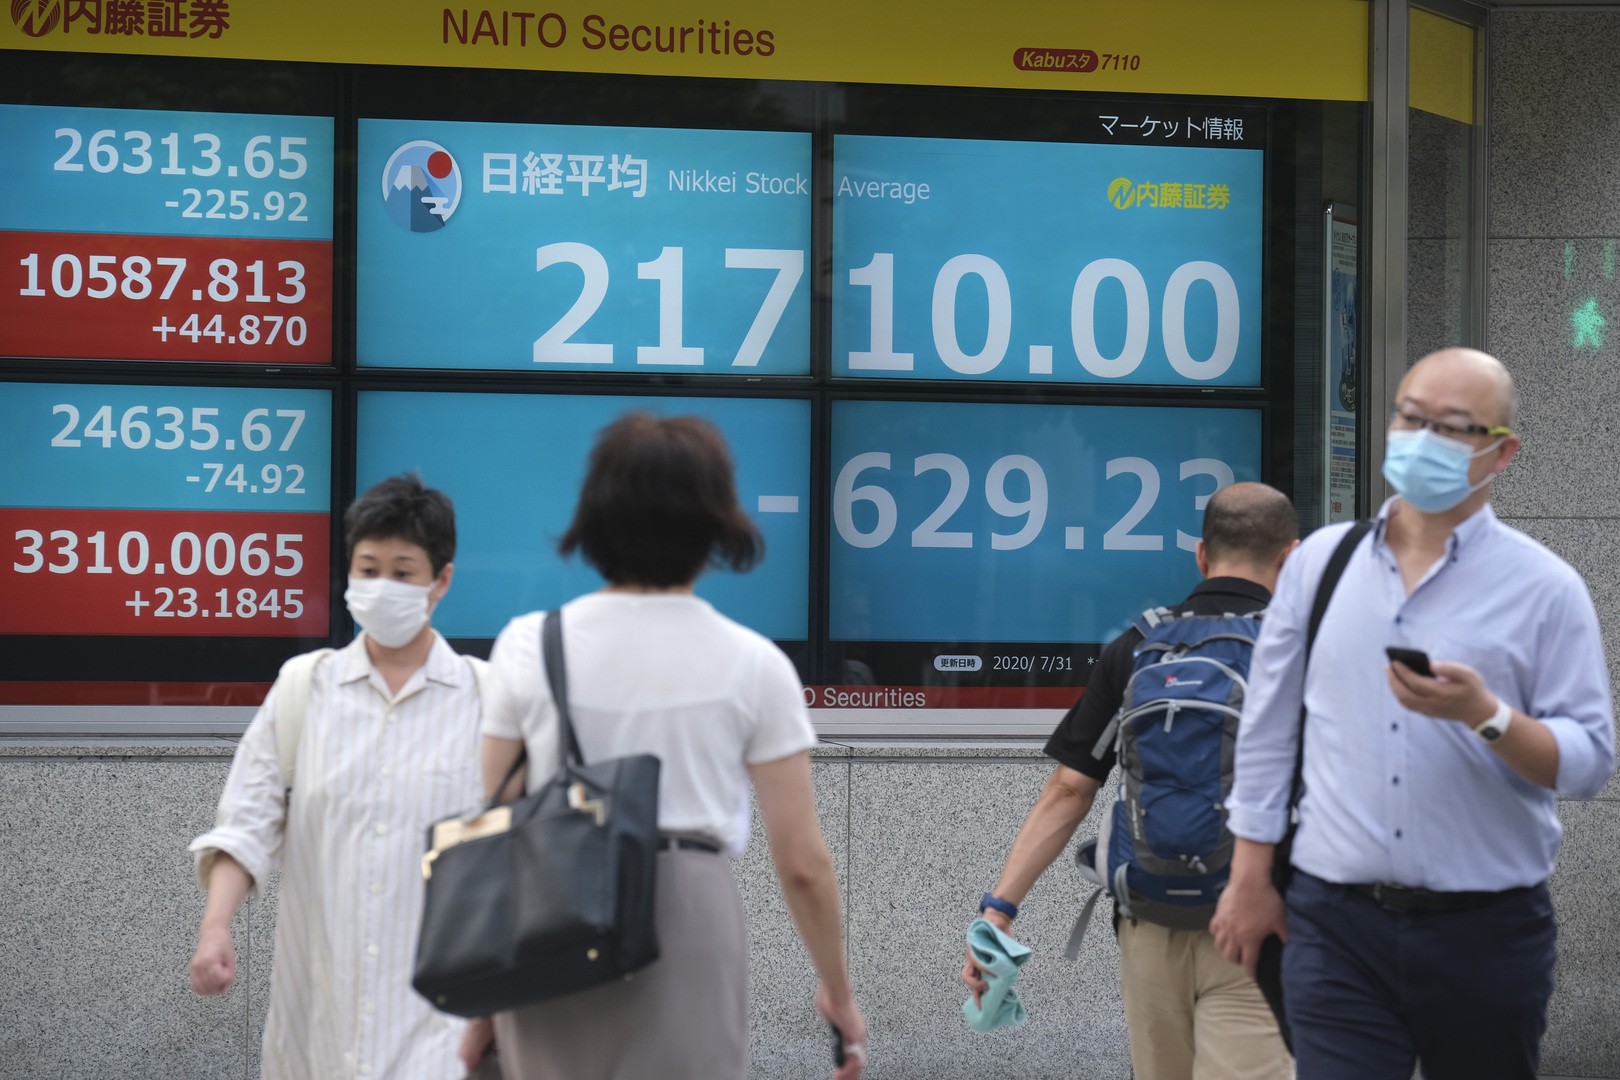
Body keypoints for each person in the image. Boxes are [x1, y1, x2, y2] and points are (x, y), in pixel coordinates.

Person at [1211, 348, 1617, 1080]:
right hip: (1334, 924)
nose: (1422, 438)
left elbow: (1588, 763)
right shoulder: (1319, 564)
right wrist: (1249, 878)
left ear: (1502, 452)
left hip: (1485, 930)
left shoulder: (1544, 588)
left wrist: (1485, 714)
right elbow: (1267, 732)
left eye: (1452, 426)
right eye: (1410, 417)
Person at [467, 412, 866, 1080]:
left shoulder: (528, 646)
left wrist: (484, 997)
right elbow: (801, 862)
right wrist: (839, 994)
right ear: (714, 524)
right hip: (687, 911)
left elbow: (496, 830)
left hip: (550, 916)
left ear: (597, 516)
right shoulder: (754, 664)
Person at [962, 482, 1299, 1080]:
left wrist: (999, 910)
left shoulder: (1140, 645)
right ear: (1290, 556)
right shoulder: (1300, 647)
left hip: (1150, 924)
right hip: (1261, 926)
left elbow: (1069, 789)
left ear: (1201, 554)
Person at [188, 474, 485, 1080]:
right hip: (316, 1027)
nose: (382, 587)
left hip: (441, 1030)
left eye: (403, 572)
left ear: (441, 580)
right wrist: (215, 927)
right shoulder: (305, 688)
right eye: (367, 569)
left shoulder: (487, 698)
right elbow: (246, 824)